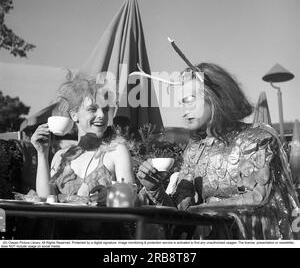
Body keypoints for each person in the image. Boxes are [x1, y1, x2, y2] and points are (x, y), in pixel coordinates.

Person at [137, 63, 300, 239]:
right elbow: (181, 213)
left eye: (189, 100)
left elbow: (257, 198)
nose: (183, 112)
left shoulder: (257, 139)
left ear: (214, 96)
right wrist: (155, 188)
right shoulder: (194, 150)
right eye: (181, 103)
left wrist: (198, 211)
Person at [31, 72, 135, 238]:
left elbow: (130, 199)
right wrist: (42, 154)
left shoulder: (116, 150)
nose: (102, 115)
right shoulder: (61, 156)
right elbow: (44, 197)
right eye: (93, 109)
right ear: (74, 115)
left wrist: (110, 194)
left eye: (106, 109)